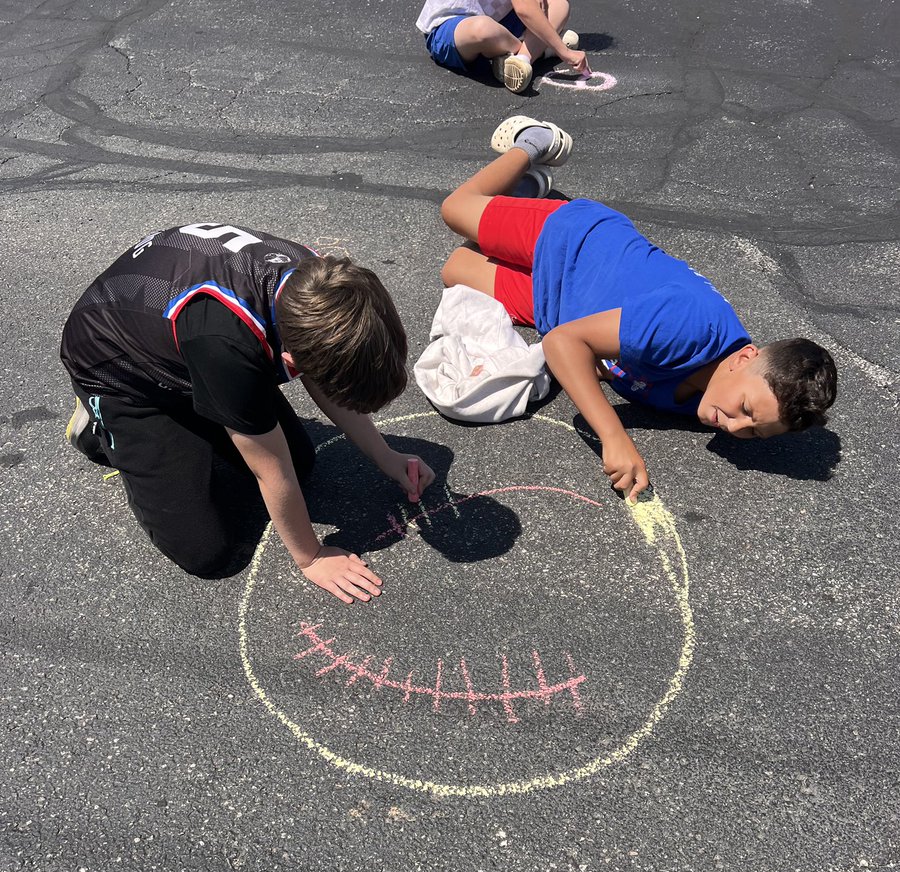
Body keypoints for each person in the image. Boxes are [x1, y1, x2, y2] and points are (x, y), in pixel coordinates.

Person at [439, 118, 838, 498]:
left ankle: (524, 193)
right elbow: (563, 343)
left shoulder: (711, 401)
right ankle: (534, 143)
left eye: (754, 433)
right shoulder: (688, 327)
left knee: (455, 269)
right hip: (573, 241)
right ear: (745, 358)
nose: (735, 428)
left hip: (556, 304)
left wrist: (591, 358)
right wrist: (614, 437)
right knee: (455, 210)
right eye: (746, 409)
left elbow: (606, 360)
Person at [61, 221, 435, 603]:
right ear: (291, 362)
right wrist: (311, 556)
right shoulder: (225, 345)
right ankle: (99, 422)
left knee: (301, 464)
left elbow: (324, 376)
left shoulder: (323, 287)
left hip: (183, 339)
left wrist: (385, 455)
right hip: (119, 371)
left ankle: (215, 404)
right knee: (204, 550)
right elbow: (270, 471)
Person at [416, 0, 588, 93]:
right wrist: (564, 51)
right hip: (451, 27)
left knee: (559, 4)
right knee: (483, 30)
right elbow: (525, 9)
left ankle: (522, 60)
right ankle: (542, 49)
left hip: (501, 20)